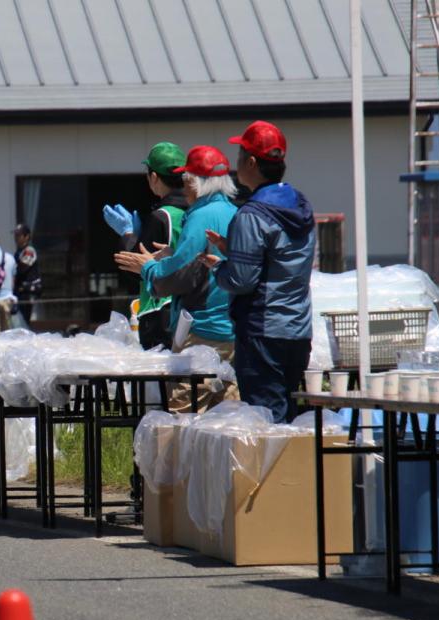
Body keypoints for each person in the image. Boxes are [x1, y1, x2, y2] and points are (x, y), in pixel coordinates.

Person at [207, 121, 316, 424]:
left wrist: (218, 266)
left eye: (239, 155)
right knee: (288, 415)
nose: (236, 164)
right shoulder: (301, 205)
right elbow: (279, 261)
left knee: (266, 420)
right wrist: (235, 250)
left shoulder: (251, 214)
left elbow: (241, 281)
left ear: (251, 162)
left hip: (262, 332)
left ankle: (279, 474)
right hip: (297, 329)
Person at [115, 145, 237, 410]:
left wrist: (148, 268)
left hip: (202, 334)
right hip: (231, 330)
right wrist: (173, 254)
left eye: (186, 179)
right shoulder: (232, 211)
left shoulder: (200, 216)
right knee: (227, 419)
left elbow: (179, 276)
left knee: (184, 418)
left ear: (194, 181)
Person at [103, 142, 189, 350]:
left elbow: (136, 267)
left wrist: (128, 235)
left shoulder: (161, 216)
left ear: (154, 178)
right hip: (189, 310)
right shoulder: (193, 211)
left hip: (159, 312)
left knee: (166, 381)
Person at [11, 223, 41, 327]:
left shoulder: (29, 251)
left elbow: (22, 269)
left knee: (24, 320)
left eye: (19, 235)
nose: (16, 238)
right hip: (19, 292)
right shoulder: (18, 252)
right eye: (15, 235)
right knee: (18, 321)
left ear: (27, 236)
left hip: (27, 291)